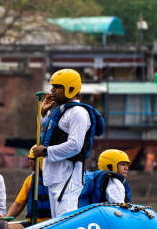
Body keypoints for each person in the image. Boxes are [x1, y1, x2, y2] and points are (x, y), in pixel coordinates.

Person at [32, 69, 105, 217]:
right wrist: (43, 113)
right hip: (54, 176)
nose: (52, 90)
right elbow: (44, 134)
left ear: (70, 89)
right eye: (52, 86)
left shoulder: (78, 113)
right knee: (56, 222)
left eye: (57, 87)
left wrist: (45, 151)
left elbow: (75, 145)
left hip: (67, 177)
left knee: (64, 220)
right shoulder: (59, 112)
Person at [5, 145, 51, 226]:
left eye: (32, 159)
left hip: (52, 225)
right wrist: (5, 221)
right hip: (32, 224)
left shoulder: (56, 181)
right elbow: (18, 205)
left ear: (40, 160)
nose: (29, 162)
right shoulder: (30, 180)